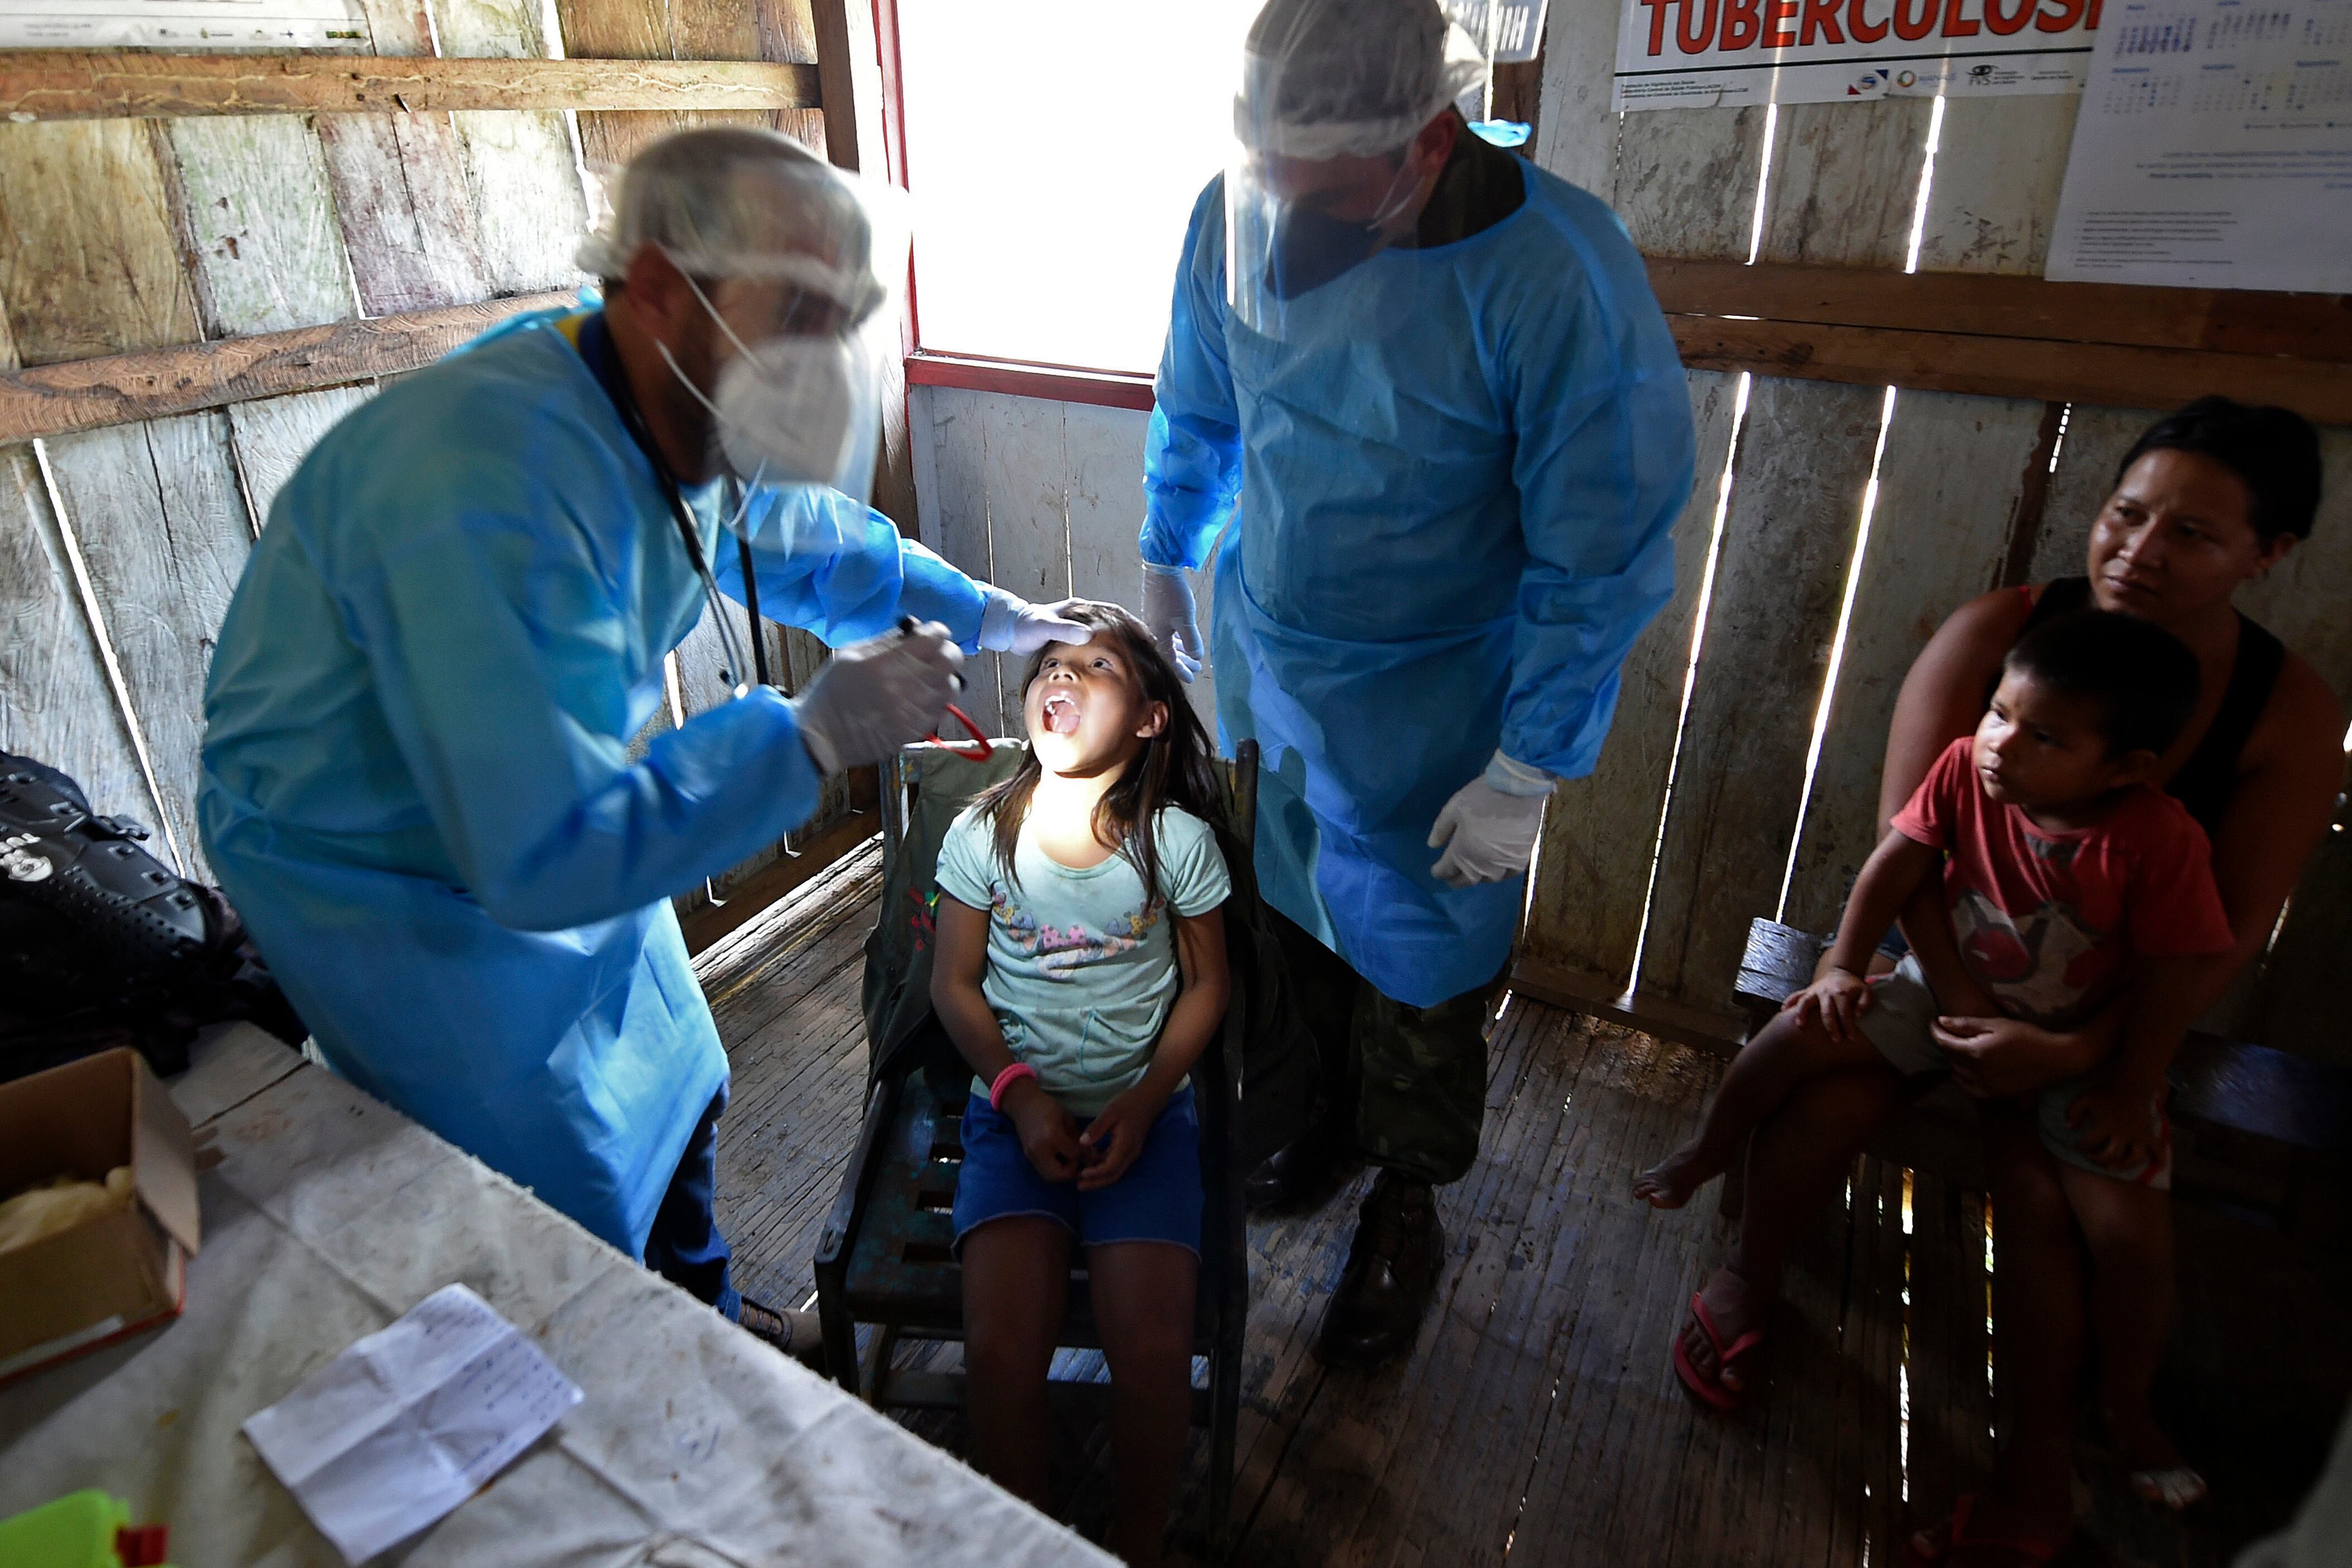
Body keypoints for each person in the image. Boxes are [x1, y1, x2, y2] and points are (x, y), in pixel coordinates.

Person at [200, 126, 1091, 1361]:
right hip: (387, 877)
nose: (825, 355)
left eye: (850, 316)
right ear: (662, 284)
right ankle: (634, 1372)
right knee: (547, 1179)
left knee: (675, 1074)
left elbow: (800, 537)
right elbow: (538, 859)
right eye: (797, 307)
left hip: (557, 800)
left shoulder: (669, 402)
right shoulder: (479, 484)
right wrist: (810, 734)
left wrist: (987, 610)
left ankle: (714, 1324)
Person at [1664, 397, 2342, 1561]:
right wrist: (1963, 1007)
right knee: (1828, 1095)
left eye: (2191, 534)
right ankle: (1745, 1274)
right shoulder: (2004, 633)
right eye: (2125, 513)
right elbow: (1908, 841)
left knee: (2045, 1203)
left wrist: (2080, 1052)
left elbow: (2222, 933)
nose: (2137, 550)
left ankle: (2051, 1459)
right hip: (1946, 964)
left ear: (2267, 555)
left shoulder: (2281, 710)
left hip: (2110, 1017)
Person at [1139, 0, 1694, 1367]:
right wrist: (1168, 554)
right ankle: (1310, 1125)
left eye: (1326, 197)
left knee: (1424, 972)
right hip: (1281, 667)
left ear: (1430, 142)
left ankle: (1408, 1198)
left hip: (1444, 704)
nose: (1289, 227)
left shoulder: (1557, 277)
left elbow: (1601, 552)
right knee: (1288, 918)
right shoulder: (1234, 211)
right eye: (1272, 181)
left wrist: (1528, 766)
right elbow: (1203, 409)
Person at [1637, 612, 2231, 1480]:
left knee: (2130, 1239)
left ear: (2125, 768)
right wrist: (1841, 967)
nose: (1999, 744)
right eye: (1998, 712)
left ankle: (2126, 1404)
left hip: (2085, 1048)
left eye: (2043, 736)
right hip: (1937, 994)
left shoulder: (2155, 840)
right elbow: (1893, 866)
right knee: (1796, 1031)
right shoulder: (1964, 768)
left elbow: (2172, 976)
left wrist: (2134, 1084)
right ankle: (1706, 1149)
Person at [929, 603, 1233, 1568]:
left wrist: (1145, 1102)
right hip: (1010, 1122)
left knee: (1151, 1361)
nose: (1061, 673)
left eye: (1095, 664)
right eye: (1049, 661)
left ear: (1149, 718)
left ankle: (1136, 1542)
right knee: (1001, 1354)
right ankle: (1024, 1539)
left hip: (1143, 1128)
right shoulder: (984, 830)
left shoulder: (1175, 841)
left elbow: (1210, 986)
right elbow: (953, 985)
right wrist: (1018, 1096)